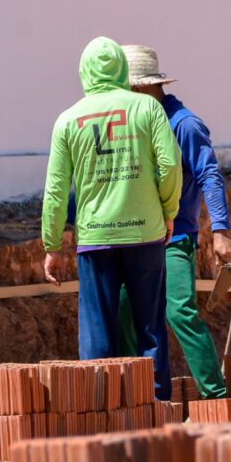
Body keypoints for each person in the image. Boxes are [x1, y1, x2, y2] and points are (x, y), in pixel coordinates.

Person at [41, 36, 181, 401]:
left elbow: (56, 190)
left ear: (84, 72)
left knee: (98, 332)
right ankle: (156, 409)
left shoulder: (68, 120)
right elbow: (169, 165)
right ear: (122, 68)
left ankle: (99, 412)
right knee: (150, 328)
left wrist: (52, 245)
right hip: (145, 234)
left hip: (96, 239)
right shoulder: (148, 110)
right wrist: (169, 212)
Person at [115, 44, 231, 399]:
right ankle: (137, 401)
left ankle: (216, 398)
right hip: (137, 238)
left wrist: (220, 230)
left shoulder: (183, 124)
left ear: (140, 87)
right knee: (124, 315)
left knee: (179, 312)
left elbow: (209, 174)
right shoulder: (135, 122)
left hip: (176, 238)